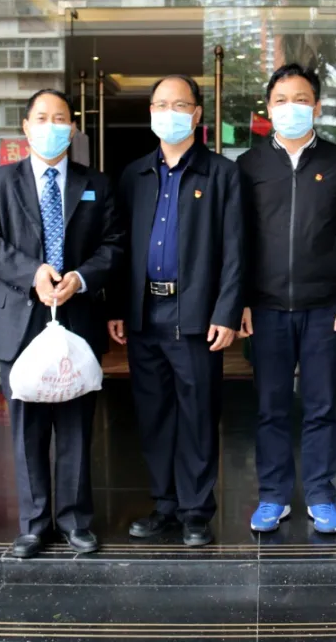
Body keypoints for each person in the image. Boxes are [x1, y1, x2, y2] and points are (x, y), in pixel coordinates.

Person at [0, 89, 122, 559]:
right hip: (20, 318)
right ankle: (34, 524)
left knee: (76, 426)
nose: (51, 126)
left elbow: (114, 244)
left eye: (60, 119)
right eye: (42, 117)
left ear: (73, 128)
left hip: (77, 314)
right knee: (26, 429)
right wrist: (33, 273)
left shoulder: (96, 184)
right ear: (25, 126)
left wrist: (80, 277)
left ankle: (75, 521)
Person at [108, 75, 243, 547]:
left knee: (198, 415)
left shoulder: (222, 174)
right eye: (161, 105)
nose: (170, 113)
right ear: (150, 113)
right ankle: (164, 505)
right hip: (146, 313)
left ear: (197, 113)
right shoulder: (134, 175)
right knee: (155, 415)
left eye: (180, 105)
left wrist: (226, 312)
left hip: (196, 316)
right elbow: (120, 247)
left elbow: (235, 250)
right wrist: (119, 307)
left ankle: (196, 511)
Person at [237, 64, 336, 535]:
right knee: (271, 407)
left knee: (321, 406)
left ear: (316, 106)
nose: (290, 107)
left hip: (324, 308)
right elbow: (237, 243)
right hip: (265, 308)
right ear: (268, 107)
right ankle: (273, 495)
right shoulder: (249, 166)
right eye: (281, 99)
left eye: (300, 99)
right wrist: (240, 302)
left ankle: (320, 493)